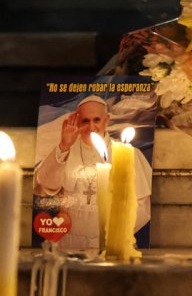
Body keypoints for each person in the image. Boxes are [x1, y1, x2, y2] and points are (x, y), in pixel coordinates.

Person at [33, 96, 153, 251]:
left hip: (113, 243)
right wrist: (64, 146)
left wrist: (116, 232)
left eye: (96, 120)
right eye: (85, 121)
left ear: (106, 120)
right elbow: (46, 186)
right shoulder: (65, 151)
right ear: (77, 121)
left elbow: (143, 206)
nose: (91, 127)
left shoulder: (129, 154)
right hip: (69, 243)